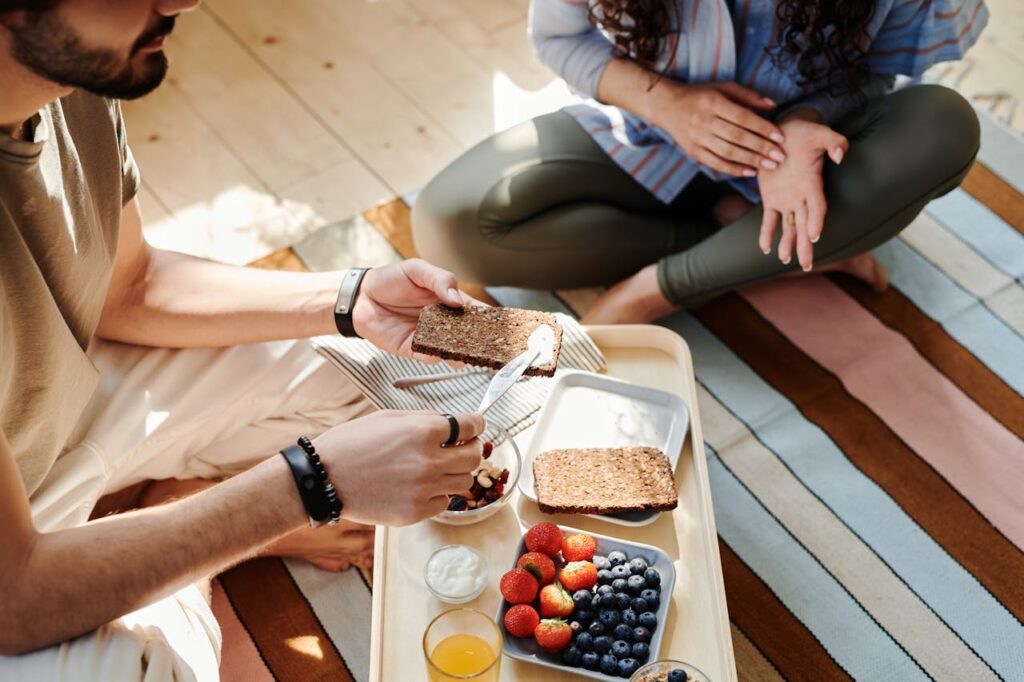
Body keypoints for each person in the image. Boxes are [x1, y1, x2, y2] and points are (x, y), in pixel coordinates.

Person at [0, 1, 486, 679]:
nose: (183, 2)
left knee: (411, 377)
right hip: (10, 566)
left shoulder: (66, 81)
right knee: (136, 670)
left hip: (53, 409)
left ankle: (150, 520)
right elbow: (15, 595)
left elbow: (130, 289)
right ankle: (169, 524)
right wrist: (311, 483)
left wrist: (350, 301)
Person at [412, 0, 988, 323]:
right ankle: (762, 247)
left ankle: (653, 290)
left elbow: (876, 71)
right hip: (652, 130)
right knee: (448, 224)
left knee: (944, 124)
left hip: (804, 163)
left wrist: (798, 127)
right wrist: (667, 105)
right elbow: (559, 38)